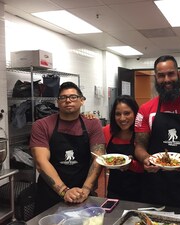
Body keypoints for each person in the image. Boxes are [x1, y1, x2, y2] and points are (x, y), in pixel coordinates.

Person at [134, 55, 180, 210]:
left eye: (170, 74)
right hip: (155, 183)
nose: (166, 79)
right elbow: (139, 146)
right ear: (156, 78)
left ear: (178, 74)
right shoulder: (145, 109)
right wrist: (146, 159)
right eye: (161, 75)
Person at [30, 81, 105, 214]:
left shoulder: (93, 124)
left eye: (73, 97)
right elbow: (41, 162)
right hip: (50, 193)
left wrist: (86, 189)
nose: (68, 101)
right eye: (63, 98)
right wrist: (64, 191)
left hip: (83, 192)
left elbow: (98, 159)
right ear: (58, 102)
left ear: (82, 101)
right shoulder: (42, 125)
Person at [103, 95, 143, 202]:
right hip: (114, 189)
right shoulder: (107, 131)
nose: (122, 118)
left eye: (127, 113)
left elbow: (148, 166)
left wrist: (131, 165)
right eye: (118, 114)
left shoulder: (142, 133)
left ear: (135, 113)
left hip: (141, 191)